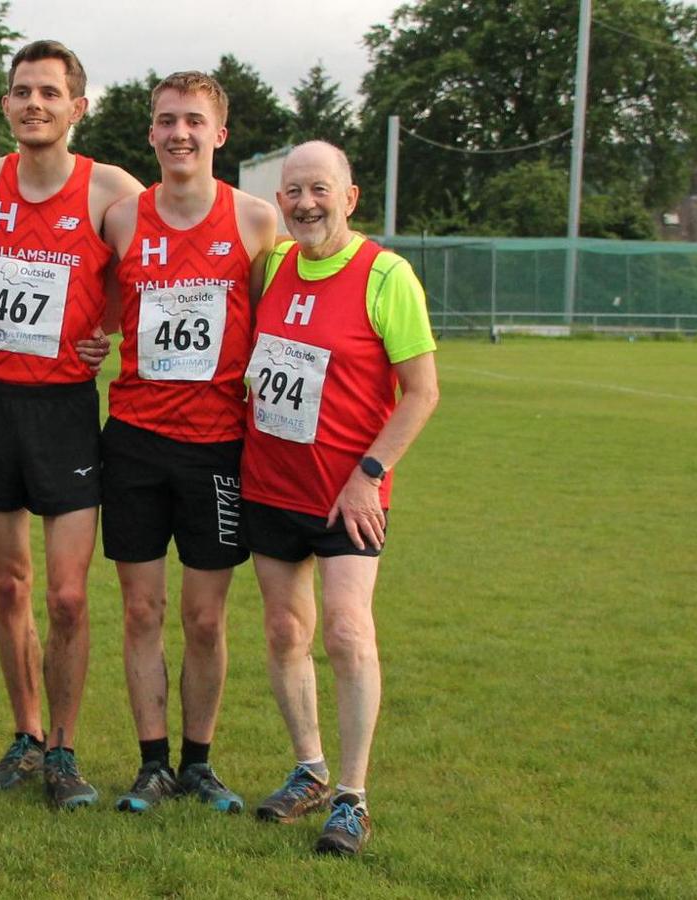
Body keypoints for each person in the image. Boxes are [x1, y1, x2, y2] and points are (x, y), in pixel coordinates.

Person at [0, 39, 142, 809]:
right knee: (8, 584)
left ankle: (64, 749)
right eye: (22, 92)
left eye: (50, 93)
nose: (35, 104)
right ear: (6, 105)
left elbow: (153, 260)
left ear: (77, 108)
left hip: (64, 409)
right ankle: (26, 737)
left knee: (65, 595)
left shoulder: (111, 189)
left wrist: (113, 324)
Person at [243, 140, 439, 854]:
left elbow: (422, 392)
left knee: (348, 632)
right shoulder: (272, 268)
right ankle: (309, 768)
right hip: (271, 484)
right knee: (283, 632)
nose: (305, 204)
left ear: (349, 197)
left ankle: (352, 796)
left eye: (319, 190)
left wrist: (371, 474)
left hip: (348, 494)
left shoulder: (386, 275)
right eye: (292, 191)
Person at [97, 72, 276, 814]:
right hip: (134, 441)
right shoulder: (120, 219)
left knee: (205, 617)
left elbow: (277, 325)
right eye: (167, 120)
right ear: (150, 133)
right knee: (141, 611)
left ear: (219, 133)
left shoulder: (256, 221)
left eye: (193, 121)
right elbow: (95, 307)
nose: (179, 133)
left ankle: (198, 761)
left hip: (216, 448)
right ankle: (151, 763)